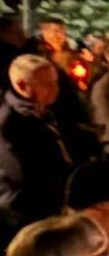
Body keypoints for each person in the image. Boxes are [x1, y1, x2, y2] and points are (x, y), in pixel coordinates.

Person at [0, 54, 78, 223]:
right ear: (22, 86)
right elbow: (22, 178)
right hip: (27, 214)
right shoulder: (9, 124)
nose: (55, 89)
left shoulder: (46, 111)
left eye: (55, 82)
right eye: (46, 84)